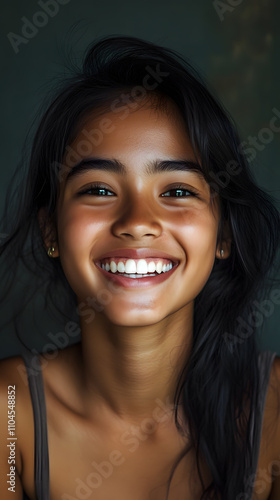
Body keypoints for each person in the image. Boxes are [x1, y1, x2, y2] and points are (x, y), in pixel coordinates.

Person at [0, 34, 280, 500]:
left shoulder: (275, 410)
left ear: (224, 235)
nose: (137, 223)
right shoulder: (9, 411)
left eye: (177, 191)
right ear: (50, 231)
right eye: (99, 189)